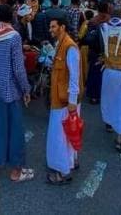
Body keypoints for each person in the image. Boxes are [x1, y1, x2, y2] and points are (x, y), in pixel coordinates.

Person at [0, 4, 34, 182]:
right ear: (11, 16)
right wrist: (26, 89)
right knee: (15, 128)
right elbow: (18, 69)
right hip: (10, 89)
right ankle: (16, 170)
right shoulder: (14, 37)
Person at [87, 13, 121, 151]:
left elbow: (90, 42)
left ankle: (109, 122)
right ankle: (120, 138)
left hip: (108, 69)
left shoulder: (102, 28)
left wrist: (101, 55)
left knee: (108, 99)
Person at [46, 16, 83, 185]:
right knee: (67, 133)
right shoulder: (61, 44)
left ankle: (62, 171)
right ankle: (70, 162)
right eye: (50, 27)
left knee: (59, 136)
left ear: (62, 27)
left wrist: (72, 101)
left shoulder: (70, 47)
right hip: (62, 97)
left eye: (54, 26)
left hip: (65, 99)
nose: (51, 30)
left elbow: (75, 75)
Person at [84, 0, 112, 104]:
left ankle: (93, 95)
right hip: (108, 52)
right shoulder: (110, 20)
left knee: (94, 73)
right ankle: (104, 95)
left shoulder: (93, 21)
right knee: (105, 74)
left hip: (95, 51)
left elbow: (88, 38)